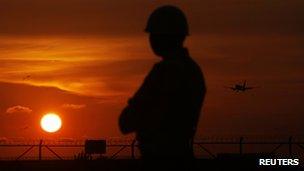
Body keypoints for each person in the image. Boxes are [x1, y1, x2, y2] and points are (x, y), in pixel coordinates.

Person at [119, 5, 206, 169]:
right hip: (182, 155)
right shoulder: (193, 70)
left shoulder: (165, 71)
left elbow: (126, 121)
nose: (151, 39)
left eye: (153, 34)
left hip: (160, 159)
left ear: (162, 37)